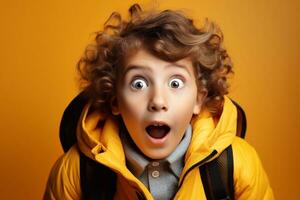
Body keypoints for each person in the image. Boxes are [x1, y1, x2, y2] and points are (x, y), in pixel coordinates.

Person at [44, 3, 274, 200]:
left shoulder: (236, 165)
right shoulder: (77, 171)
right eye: (139, 84)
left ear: (199, 99)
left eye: (175, 83)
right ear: (115, 100)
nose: (158, 101)